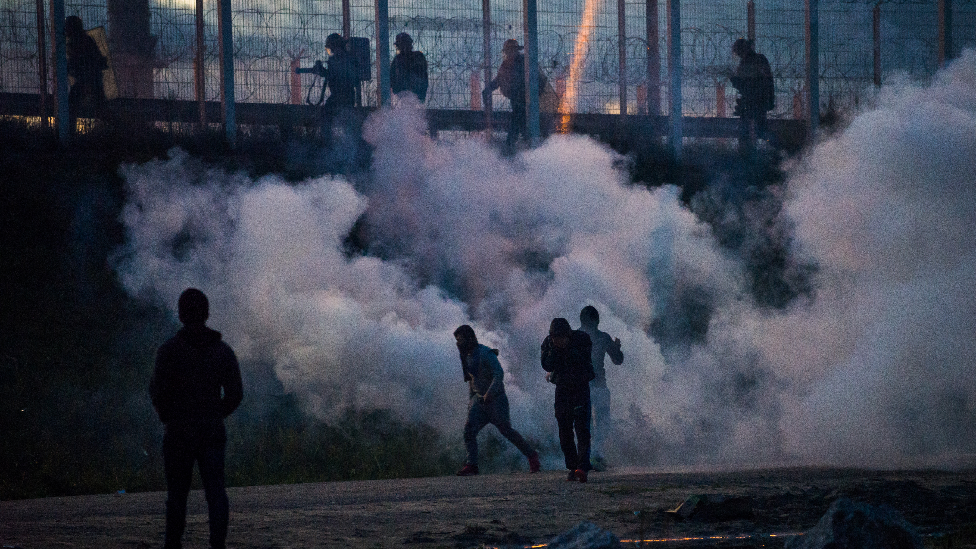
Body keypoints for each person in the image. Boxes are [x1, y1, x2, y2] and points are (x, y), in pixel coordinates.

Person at [150, 288, 243, 549]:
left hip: (179, 430)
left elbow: (156, 390)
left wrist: (168, 415)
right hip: (210, 430)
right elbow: (236, 393)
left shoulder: (169, 351)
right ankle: (217, 544)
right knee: (215, 492)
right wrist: (215, 414)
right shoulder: (222, 351)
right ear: (207, 313)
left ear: (180, 314)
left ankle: (173, 543)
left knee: (177, 494)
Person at [454, 325, 541, 476]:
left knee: (506, 431)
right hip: (479, 400)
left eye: (461, 340)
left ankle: (532, 456)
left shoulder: (486, 354)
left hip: (496, 401)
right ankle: (472, 464)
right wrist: (471, 401)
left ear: (470, 339)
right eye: (457, 341)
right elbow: (472, 381)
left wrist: (490, 393)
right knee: (469, 430)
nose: (459, 344)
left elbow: (498, 374)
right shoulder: (466, 356)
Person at [541, 317, 594, 483]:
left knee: (582, 430)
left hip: (580, 388)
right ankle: (572, 467)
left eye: (560, 338)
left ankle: (582, 467)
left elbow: (584, 362)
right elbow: (547, 365)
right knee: (564, 430)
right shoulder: (548, 343)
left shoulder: (582, 339)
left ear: (568, 335)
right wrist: (554, 349)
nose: (557, 341)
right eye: (554, 338)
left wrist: (568, 350)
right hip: (563, 389)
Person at [578, 306, 623, 472]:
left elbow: (618, 360)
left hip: (585, 387)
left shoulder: (575, 337)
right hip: (596, 386)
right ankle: (594, 456)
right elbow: (618, 360)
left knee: (588, 423)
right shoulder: (603, 337)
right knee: (601, 422)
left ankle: (590, 457)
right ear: (596, 321)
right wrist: (617, 348)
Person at [729, 38, 775, 152]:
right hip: (757, 101)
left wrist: (734, 79)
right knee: (758, 129)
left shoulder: (749, 62)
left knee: (748, 131)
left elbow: (746, 84)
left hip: (753, 101)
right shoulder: (759, 59)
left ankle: (751, 153)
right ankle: (770, 150)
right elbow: (768, 80)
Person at [65, 15, 107, 131]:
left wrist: (67, 67)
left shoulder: (78, 42)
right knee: (101, 107)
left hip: (87, 80)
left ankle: (70, 133)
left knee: (71, 105)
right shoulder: (85, 39)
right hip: (93, 80)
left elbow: (78, 63)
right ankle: (109, 132)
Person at [483, 38, 526, 149]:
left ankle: (510, 145)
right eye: (507, 51)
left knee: (517, 120)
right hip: (516, 98)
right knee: (518, 120)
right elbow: (499, 79)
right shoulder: (507, 64)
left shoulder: (521, 62)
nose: (508, 53)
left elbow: (518, 80)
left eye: (510, 51)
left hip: (523, 98)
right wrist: (488, 89)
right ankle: (514, 144)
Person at [390, 32, 428, 102]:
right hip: (404, 95)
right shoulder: (398, 59)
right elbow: (392, 78)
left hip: (412, 95)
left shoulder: (417, 56)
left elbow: (423, 77)